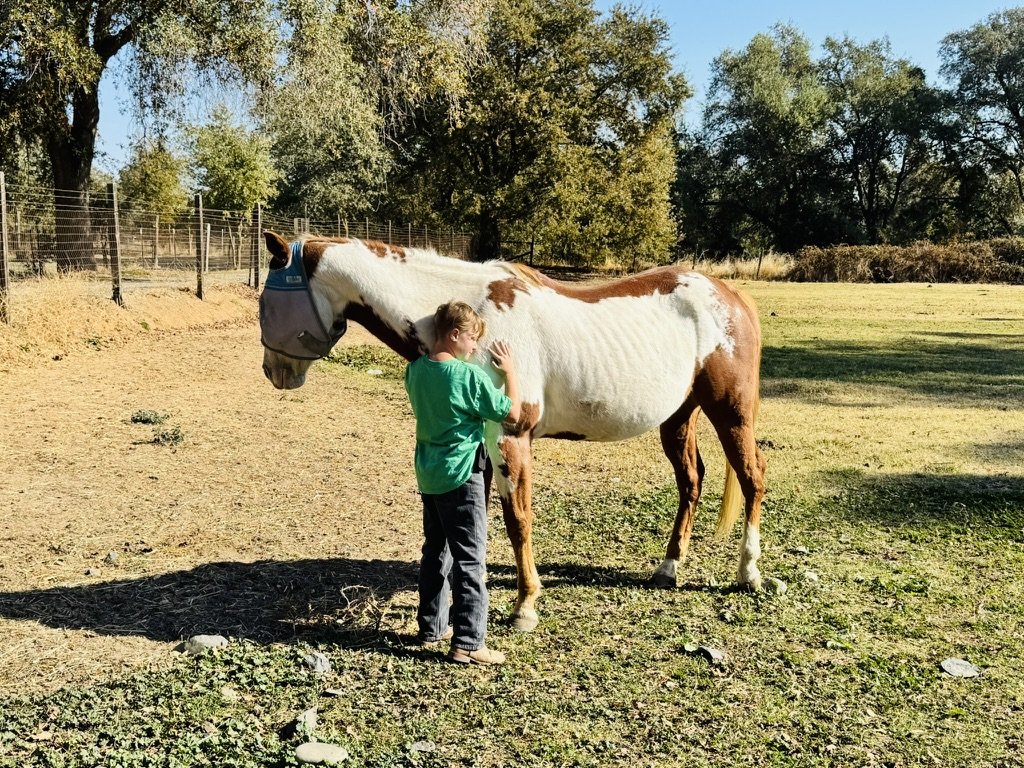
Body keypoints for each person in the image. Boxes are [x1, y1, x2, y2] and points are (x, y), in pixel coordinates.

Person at [404, 301, 521, 665]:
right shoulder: (468, 377)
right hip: (463, 475)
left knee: (435, 551)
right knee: (470, 559)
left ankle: (431, 628)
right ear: (455, 335)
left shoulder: (415, 372)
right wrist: (511, 372)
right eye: (472, 340)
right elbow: (513, 414)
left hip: (430, 473)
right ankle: (469, 642)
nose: (474, 348)